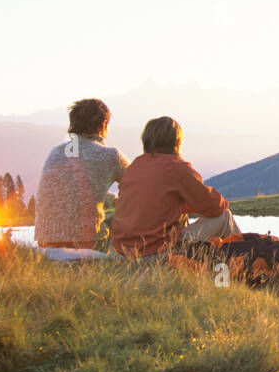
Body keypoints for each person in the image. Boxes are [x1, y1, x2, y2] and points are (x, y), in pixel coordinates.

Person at [110, 115, 240, 259]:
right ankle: (245, 264)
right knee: (224, 217)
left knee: (180, 214)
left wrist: (180, 205)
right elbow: (215, 206)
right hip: (155, 254)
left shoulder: (135, 166)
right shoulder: (176, 168)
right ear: (176, 141)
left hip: (121, 253)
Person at [34, 98, 129, 250]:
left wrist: (109, 198)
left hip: (45, 241)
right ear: (104, 125)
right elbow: (139, 185)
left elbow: (71, 191)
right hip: (87, 242)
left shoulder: (56, 152)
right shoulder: (110, 156)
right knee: (118, 218)